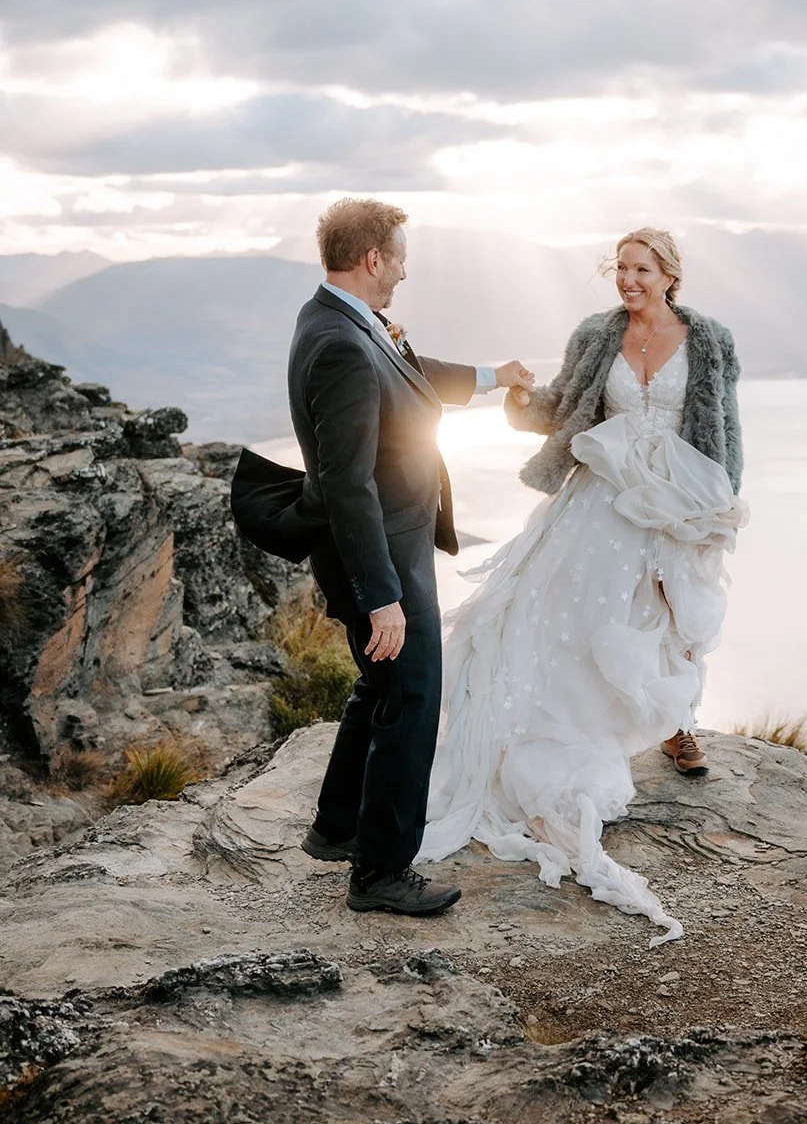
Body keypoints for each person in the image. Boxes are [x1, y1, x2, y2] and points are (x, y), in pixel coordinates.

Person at [417, 227, 747, 944]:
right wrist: (517, 395)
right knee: (576, 612)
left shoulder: (710, 340)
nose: (626, 281)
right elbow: (563, 407)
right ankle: (576, 729)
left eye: (639, 269)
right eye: (619, 269)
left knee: (674, 604)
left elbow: (723, 427)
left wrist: (722, 499)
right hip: (602, 494)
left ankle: (677, 726)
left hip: (677, 492)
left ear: (668, 275)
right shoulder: (596, 333)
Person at [230, 198, 534, 917]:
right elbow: (347, 481)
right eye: (399, 256)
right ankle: (380, 875)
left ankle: (335, 827)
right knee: (412, 697)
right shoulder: (338, 342)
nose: (404, 269)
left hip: (390, 549)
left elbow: (406, 372)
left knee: (378, 689)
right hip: (382, 562)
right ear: (373, 259)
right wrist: (381, 595)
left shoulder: (338, 319)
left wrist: (492, 377)